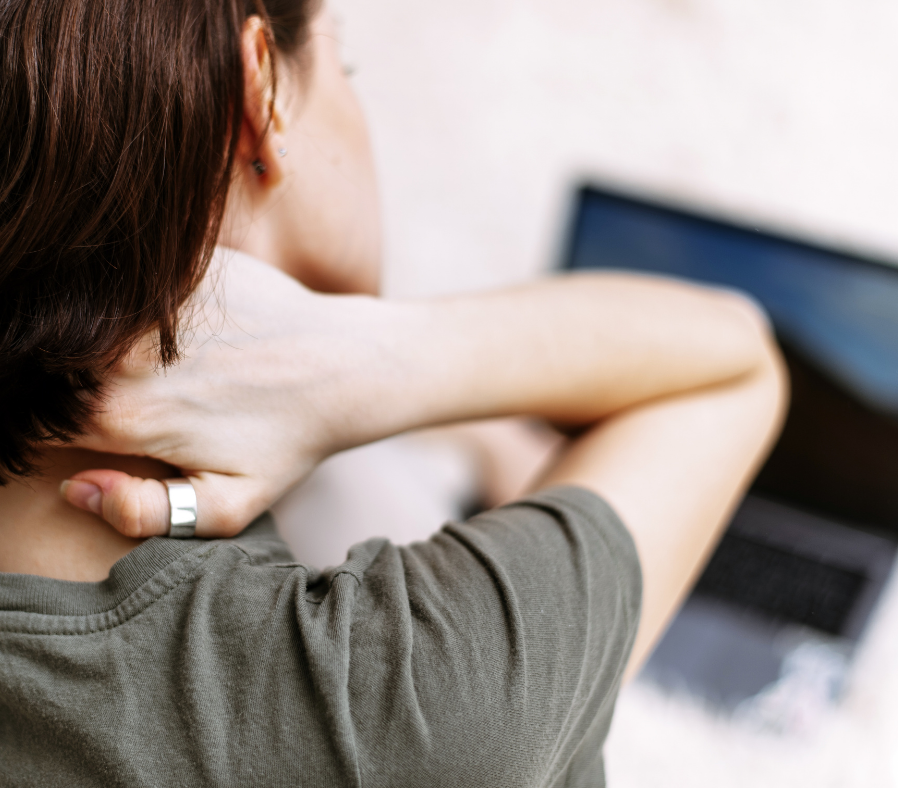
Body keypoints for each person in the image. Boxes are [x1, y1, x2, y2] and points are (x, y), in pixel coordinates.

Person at [0, 0, 787, 784]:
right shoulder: (414, 709)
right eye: (344, 68)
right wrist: (364, 357)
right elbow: (735, 358)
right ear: (263, 96)